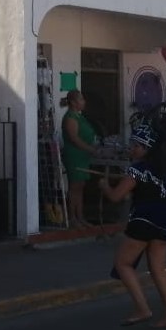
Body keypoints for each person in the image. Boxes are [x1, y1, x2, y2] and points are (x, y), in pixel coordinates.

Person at [98, 122, 166, 328]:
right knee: (158, 269)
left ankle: (142, 308)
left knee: (123, 264)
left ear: (147, 148)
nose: (132, 149)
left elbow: (116, 196)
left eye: (136, 146)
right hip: (164, 219)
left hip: (143, 220)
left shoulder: (137, 169)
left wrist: (105, 186)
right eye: (132, 145)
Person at [61, 89, 100, 228]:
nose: (84, 102)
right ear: (73, 102)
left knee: (81, 186)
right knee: (74, 186)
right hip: (74, 155)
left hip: (84, 156)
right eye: (81, 99)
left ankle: (80, 216)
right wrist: (91, 149)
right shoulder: (70, 117)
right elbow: (74, 138)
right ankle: (72, 218)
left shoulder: (79, 116)